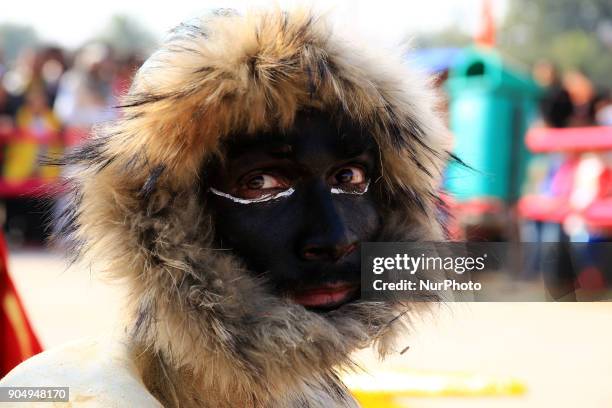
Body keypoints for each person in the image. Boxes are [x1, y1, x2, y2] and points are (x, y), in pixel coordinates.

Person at [0, 8, 450, 407]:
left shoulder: (319, 392)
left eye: (347, 178)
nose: (334, 238)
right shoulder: (75, 396)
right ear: (164, 217)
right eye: (261, 182)